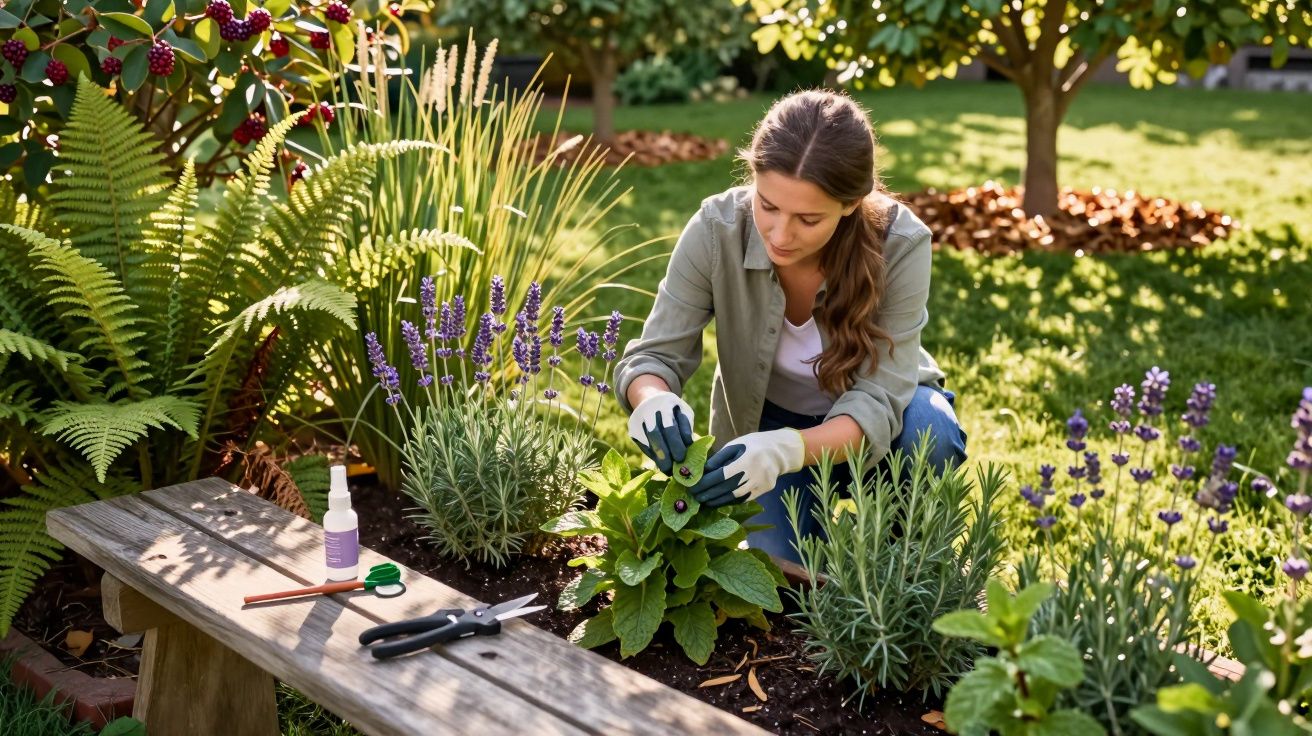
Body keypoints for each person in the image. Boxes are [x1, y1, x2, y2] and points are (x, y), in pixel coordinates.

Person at [613, 89, 967, 564]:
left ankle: (907, 570)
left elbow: (881, 400)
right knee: (786, 580)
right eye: (768, 206)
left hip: (883, 430)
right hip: (765, 431)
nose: (780, 235)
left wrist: (788, 450)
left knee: (931, 431)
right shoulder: (717, 229)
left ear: (850, 203)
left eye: (808, 219)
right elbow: (654, 355)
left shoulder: (900, 243)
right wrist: (652, 399)